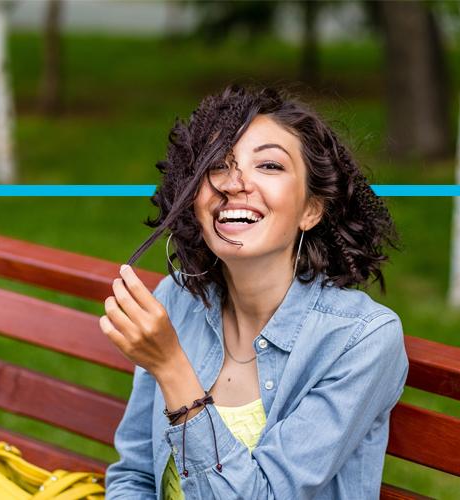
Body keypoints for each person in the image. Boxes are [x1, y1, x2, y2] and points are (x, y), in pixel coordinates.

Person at [100, 85, 409, 499]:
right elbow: (134, 475)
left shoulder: (359, 340)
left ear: (310, 210)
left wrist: (173, 369)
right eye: (217, 166)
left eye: (268, 165)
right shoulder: (176, 300)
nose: (234, 183)